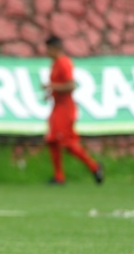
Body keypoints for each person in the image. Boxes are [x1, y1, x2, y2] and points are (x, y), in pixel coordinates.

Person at [43, 35, 104, 185]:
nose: (46, 52)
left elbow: (71, 85)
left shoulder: (64, 63)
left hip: (66, 109)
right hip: (57, 107)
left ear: (55, 48)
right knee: (52, 140)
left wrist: (52, 87)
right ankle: (59, 176)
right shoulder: (55, 63)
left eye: (48, 49)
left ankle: (95, 167)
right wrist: (51, 92)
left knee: (68, 144)